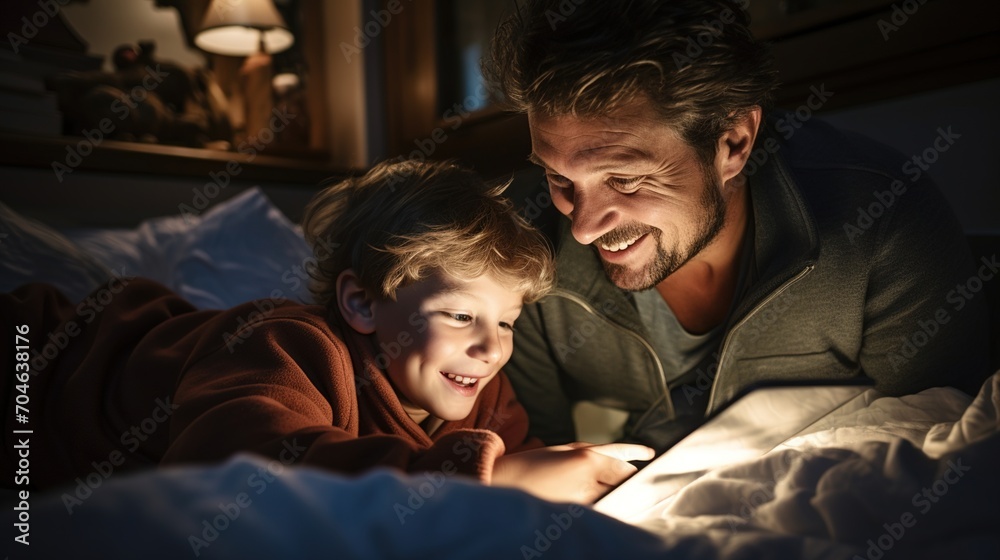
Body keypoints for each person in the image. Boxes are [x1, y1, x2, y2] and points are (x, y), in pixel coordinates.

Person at [483, 0, 992, 449]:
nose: (584, 228)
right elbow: (531, 461)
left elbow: (945, 448)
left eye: (626, 179)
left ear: (733, 143)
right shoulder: (526, 253)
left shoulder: (883, 217)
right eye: (559, 178)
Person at [1, 159, 652, 504]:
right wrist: (497, 480)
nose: (491, 347)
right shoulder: (288, 346)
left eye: (506, 321)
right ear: (364, 306)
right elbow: (236, 470)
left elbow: (513, 461)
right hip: (38, 365)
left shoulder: (481, 389)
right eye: (461, 315)